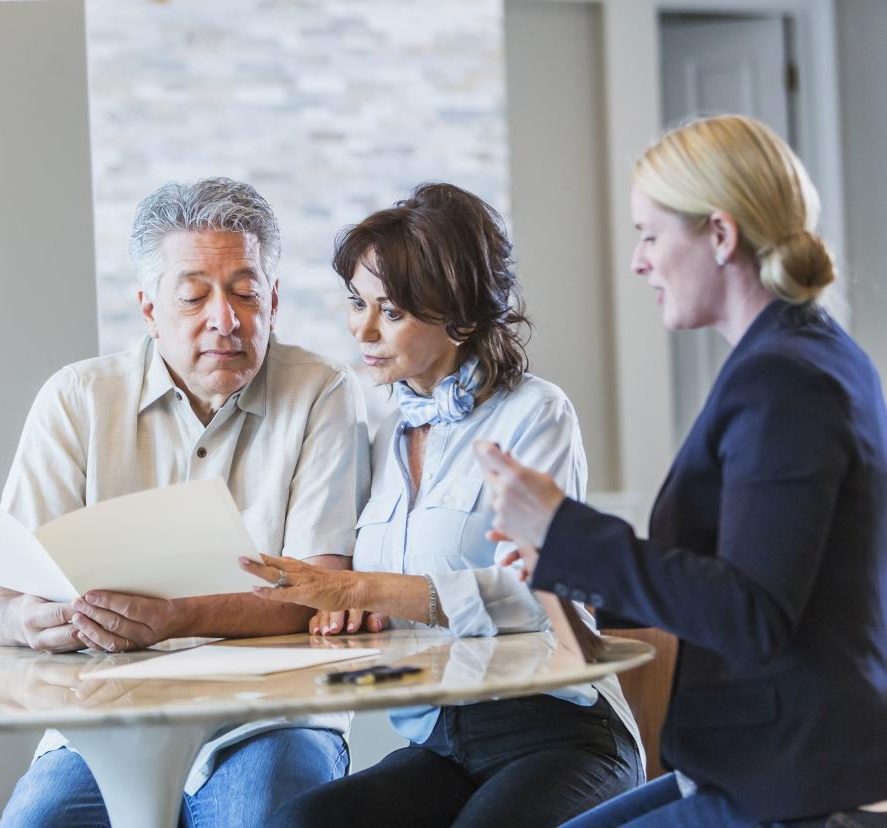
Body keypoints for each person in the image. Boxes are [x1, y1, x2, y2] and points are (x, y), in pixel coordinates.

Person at [476, 115, 887, 827]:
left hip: (796, 785)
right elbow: (728, 579)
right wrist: (565, 560)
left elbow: (751, 612)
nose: (639, 261)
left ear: (721, 236)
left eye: (650, 234)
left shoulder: (785, 380)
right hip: (760, 763)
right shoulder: (800, 355)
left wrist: (565, 530)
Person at [240, 182, 644, 828]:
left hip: (560, 732)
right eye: (356, 303)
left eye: (391, 312)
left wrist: (370, 588)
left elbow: (546, 593)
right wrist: (355, 614)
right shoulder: (376, 431)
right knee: (298, 823)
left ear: (458, 315)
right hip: (443, 742)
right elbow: (378, 603)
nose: (363, 330)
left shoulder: (535, 415)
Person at [0, 177, 370, 827]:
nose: (226, 318)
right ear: (149, 309)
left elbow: (323, 589)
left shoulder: (322, 392)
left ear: (273, 300)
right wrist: (26, 620)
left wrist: (169, 618)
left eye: (247, 293)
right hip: (104, 721)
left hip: (270, 718)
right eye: (193, 296)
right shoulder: (76, 399)